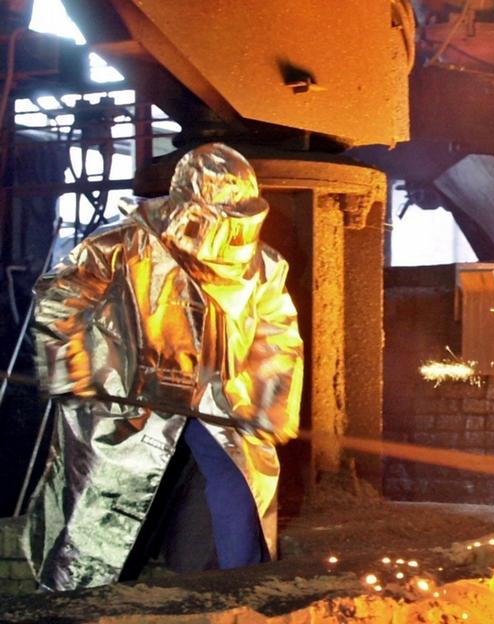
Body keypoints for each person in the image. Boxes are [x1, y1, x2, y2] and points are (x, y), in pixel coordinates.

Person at [20, 143, 304, 591]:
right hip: (127, 398)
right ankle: (75, 596)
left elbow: (276, 333)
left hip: (217, 397)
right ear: (190, 207)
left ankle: (244, 586)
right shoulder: (120, 245)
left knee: (241, 480)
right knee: (100, 497)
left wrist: (270, 404)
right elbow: (60, 301)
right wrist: (74, 374)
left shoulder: (261, 264)